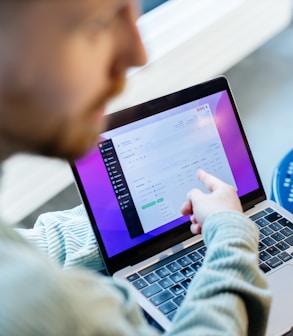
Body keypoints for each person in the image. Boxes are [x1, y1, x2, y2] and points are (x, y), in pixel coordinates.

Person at [0, 1, 271, 335]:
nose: (139, 54)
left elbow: (20, 247)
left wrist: (118, 226)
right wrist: (232, 236)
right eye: (98, 23)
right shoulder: (38, 308)